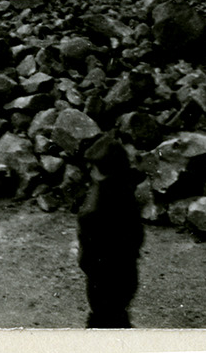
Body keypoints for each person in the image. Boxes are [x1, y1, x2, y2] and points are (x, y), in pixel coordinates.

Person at [76, 138, 143, 328]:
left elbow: (89, 251)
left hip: (104, 279)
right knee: (116, 316)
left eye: (94, 165)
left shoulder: (98, 204)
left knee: (104, 320)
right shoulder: (126, 192)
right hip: (126, 274)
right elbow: (137, 237)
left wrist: (86, 263)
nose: (90, 169)